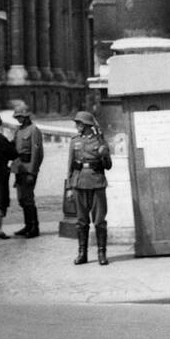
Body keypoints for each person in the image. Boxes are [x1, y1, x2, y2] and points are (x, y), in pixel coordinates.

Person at [67, 110, 113, 265]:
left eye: (79, 123)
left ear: (86, 125)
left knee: (99, 220)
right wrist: (69, 187)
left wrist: (104, 154)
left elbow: (108, 166)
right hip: (79, 183)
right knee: (81, 221)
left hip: (96, 182)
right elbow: (70, 165)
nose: (77, 126)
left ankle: (101, 253)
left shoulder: (99, 141)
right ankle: (82, 253)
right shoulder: (74, 141)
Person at [11, 102, 44, 239]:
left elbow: (37, 153)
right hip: (19, 168)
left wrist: (32, 172)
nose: (19, 119)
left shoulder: (33, 130)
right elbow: (13, 148)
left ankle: (34, 226)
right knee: (21, 199)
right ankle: (27, 225)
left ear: (27, 117)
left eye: (21, 117)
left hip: (29, 167)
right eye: (17, 117)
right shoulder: (18, 131)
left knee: (28, 199)